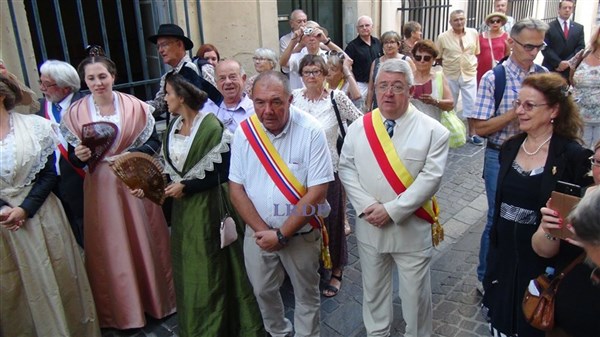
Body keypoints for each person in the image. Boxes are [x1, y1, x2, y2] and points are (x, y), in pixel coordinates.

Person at [60, 55, 176, 329]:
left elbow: (153, 142)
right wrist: (80, 155)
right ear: (84, 81)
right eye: (91, 78)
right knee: (110, 246)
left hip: (134, 183)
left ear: (113, 76)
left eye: (102, 76)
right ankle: (120, 310)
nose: (98, 83)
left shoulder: (135, 107)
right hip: (100, 188)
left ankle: (156, 301)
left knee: (144, 239)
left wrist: (130, 157)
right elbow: (73, 160)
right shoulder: (75, 113)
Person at [339, 59, 450, 337]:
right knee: (374, 294)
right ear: (374, 89)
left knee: (416, 301)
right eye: (383, 86)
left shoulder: (434, 131)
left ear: (410, 91)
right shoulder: (358, 127)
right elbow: (346, 168)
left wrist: (391, 210)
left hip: (410, 231)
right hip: (370, 228)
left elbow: (430, 179)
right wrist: (367, 207)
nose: (388, 93)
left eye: (397, 87)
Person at [482, 72, 593, 337]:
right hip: (505, 259)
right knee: (501, 324)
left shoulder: (572, 156)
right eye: (517, 104)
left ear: (554, 109)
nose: (519, 111)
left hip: (543, 264)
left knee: (533, 324)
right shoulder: (510, 147)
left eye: (529, 105)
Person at [157, 73, 265, 337]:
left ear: (182, 96)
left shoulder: (211, 127)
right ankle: (195, 323)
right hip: (184, 212)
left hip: (209, 208)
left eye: (169, 93)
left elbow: (225, 171)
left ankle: (220, 325)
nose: (165, 98)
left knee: (212, 267)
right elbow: (171, 169)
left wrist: (188, 186)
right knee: (188, 265)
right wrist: (152, 187)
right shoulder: (173, 126)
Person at [229, 71, 334, 337]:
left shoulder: (311, 131)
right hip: (259, 233)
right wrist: (265, 232)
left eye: (276, 102)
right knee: (262, 291)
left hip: (301, 233)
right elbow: (236, 188)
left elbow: (319, 190)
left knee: (306, 295)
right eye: (260, 102)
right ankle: (278, 333)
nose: (267, 110)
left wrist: (281, 234)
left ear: (290, 100)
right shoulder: (244, 132)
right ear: (251, 100)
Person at [0, 74, 100, 336]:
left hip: (42, 216)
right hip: (4, 225)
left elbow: (49, 174)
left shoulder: (35, 127)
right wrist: (3, 208)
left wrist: (25, 209)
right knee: (14, 286)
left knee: (56, 278)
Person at [466, 18, 549, 290]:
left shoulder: (543, 76)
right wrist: (517, 111)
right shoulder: (494, 78)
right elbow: (478, 128)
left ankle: (523, 272)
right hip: (500, 156)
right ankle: (485, 276)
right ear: (511, 43)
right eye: (528, 46)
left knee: (532, 214)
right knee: (497, 217)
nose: (533, 52)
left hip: (537, 153)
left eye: (539, 46)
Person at [292, 55, 362, 297]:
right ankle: (314, 266)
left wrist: (351, 154)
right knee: (305, 221)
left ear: (325, 75)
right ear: (301, 75)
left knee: (331, 222)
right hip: (299, 174)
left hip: (329, 171)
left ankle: (336, 270)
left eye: (316, 72)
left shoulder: (336, 98)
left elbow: (360, 123)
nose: (312, 76)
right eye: (307, 72)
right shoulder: (294, 98)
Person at [533, 139, 600, 337]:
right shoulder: (577, 197)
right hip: (563, 318)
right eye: (597, 162)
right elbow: (541, 250)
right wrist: (549, 229)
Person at [36, 60, 85, 247]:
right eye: (41, 83)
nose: (42, 88)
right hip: (54, 183)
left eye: (46, 84)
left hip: (82, 180)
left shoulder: (84, 105)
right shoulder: (41, 108)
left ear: (65, 87)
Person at [147, 24, 222, 117]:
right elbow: (160, 105)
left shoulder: (202, 68)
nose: (160, 50)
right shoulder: (167, 77)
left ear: (179, 44)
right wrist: (136, 106)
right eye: (158, 47)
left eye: (164, 45)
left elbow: (217, 102)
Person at [436, 9, 482, 145]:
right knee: (450, 104)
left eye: (461, 19)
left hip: (469, 73)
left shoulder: (473, 33)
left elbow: (476, 52)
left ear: (465, 20)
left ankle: (472, 134)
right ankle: (450, 132)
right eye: (456, 20)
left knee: (471, 104)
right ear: (450, 22)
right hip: (450, 74)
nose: (459, 22)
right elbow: (438, 57)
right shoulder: (443, 37)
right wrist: (449, 65)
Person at [280, 20, 344, 90]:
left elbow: (346, 60)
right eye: (308, 35)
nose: (312, 38)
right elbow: (283, 63)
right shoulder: (298, 57)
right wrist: (294, 41)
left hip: (323, 97)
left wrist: (326, 41)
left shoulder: (326, 56)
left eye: (316, 35)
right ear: (303, 39)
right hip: (301, 98)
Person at [365, 31, 416, 111]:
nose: (389, 45)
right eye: (386, 43)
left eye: (392, 42)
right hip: (379, 104)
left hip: (399, 105)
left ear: (398, 44)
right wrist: (368, 108)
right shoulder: (376, 62)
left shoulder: (406, 60)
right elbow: (371, 88)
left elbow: (414, 83)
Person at [569, 26, 600, 148]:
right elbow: (571, 78)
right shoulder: (583, 54)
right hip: (579, 118)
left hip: (598, 121)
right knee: (579, 154)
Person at [203, 59, 254, 133]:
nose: (228, 82)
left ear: (243, 78)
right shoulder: (204, 108)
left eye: (232, 77)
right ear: (216, 82)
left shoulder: (254, 111)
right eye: (222, 78)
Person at [410, 40, 454, 121]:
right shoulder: (407, 78)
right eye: (418, 57)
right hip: (412, 125)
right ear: (413, 59)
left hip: (434, 124)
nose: (422, 61)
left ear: (433, 59)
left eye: (426, 58)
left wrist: (434, 101)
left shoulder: (439, 77)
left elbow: (451, 104)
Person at [542, 0, 585, 81]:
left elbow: (580, 47)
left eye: (570, 8)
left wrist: (568, 62)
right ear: (558, 10)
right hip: (551, 68)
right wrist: (558, 63)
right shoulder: (548, 27)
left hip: (569, 71)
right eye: (565, 7)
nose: (567, 10)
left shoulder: (579, 28)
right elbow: (545, 48)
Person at [344, 15, 383, 105]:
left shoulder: (378, 42)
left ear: (372, 27)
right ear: (357, 29)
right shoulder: (352, 46)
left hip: (378, 85)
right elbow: (347, 67)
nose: (364, 28)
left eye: (367, 25)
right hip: (361, 86)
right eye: (361, 26)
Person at [476, 12, 509, 85]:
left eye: (498, 21)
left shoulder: (506, 36)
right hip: (482, 68)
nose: (495, 23)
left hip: (498, 69)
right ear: (488, 23)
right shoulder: (481, 36)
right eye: (492, 21)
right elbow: (476, 52)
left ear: (501, 23)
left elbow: (507, 54)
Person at [280, 9, 308, 74]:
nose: (302, 24)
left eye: (304, 21)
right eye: (299, 22)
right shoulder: (285, 40)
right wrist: (300, 46)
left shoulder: (311, 37)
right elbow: (284, 64)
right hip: (293, 75)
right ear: (291, 24)